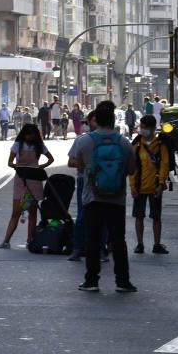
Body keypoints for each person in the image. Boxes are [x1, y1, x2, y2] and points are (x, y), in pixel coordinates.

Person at [72, 101, 138, 293]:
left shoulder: (84, 141)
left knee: (92, 239)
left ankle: (91, 280)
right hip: (116, 198)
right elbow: (132, 169)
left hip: (92, 198)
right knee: (118, 240)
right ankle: (123, 281)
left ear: (95, 121)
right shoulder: (124, 142)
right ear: (112, 120)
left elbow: (80, 167)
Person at [0, 123, 53, 249]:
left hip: (34, 179)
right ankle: (6, 240)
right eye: (28, 135)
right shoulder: (18, 145)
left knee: (32, 212)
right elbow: (10, 162)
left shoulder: (39, 145)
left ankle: (29, 240)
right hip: (21, 179)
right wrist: (16, 166)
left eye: (32, 135)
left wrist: (40, 167)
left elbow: (51, 159)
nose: (30, 137)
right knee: (16, 211)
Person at [130, 115, 170, 255]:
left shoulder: (160, 145)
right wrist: (132, 186)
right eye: (141, 127)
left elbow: (164, 165)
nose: (143, 130)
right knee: (138, 216)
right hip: (139, 187)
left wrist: (161, 184)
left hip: (155, 187)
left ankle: (157, 244)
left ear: (153, 128)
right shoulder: (137, 144)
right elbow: (132, 167)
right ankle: (139, 244)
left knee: (156, 217)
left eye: (145, 127)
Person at [67, 111, 98, 261]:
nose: (87, 125)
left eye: (89, 122)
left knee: (102, 215)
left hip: (103, 181)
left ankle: (101, 248)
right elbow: (71, 162)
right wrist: (85, 165)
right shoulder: (81, 140)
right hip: (83, 180)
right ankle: (78, 248)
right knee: (82, 215)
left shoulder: (110, 140)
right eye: (86, 123)